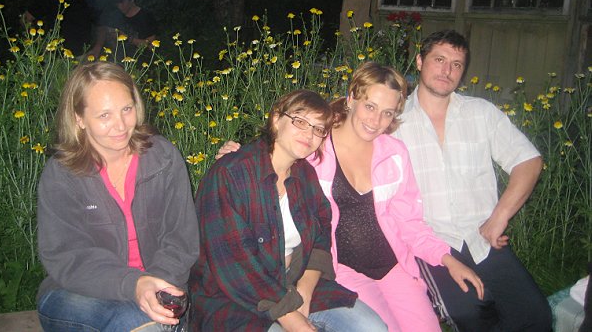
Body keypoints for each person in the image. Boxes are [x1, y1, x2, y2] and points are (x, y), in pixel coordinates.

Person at [216, 65, 484, 331]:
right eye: (370, 106)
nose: (376, 120)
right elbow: (279, 149)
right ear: (351, 98)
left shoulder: (394, 153)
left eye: (387, 113)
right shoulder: (316, 145)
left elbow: (410, 223)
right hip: (342, 269)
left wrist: (448, 259)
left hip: (394, 267)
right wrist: (238, 155)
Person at [191, 89, 389, 332]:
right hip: (235, 297)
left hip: (292, 281)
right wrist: (292, 318)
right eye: (300, 121)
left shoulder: (305, 175)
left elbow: (320, 235)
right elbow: (235, 266)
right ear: (276, 119)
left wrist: (305, 290)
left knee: (372, 327)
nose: (309, 134)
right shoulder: (230, 174)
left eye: (318, 129)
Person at [394, 29, 552, 331]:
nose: (447, 70)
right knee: (471, 314)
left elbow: (529, 161)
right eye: (439, 59)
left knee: (536, 316)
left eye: (456, 64)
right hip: (431, 244)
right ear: (419, 61)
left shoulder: (481, 114)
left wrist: (499, 217)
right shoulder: (395, 120)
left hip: (483, 239)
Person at [37, 62, 199, 332]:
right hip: (78, 292)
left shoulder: (163, 158)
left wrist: (153, 287)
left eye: (127, 109)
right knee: (134, 321)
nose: (121, 125)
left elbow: (181, 239)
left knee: (149, 320)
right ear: (79, 118)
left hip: (159, 284)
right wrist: (133, 285)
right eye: (104, 115)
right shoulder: (62, 175)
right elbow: (67, 257)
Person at [23, 0, 95, 57]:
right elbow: (26, 18)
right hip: (57, 58)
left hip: (83, 57)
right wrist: (39, 43)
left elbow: (101, 25)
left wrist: (96, 49)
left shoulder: (89, 1)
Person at [91, 0, 157, 60]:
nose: (119, 6)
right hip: (115, 60)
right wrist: (98, 46)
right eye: (117, 3)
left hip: (138, 62)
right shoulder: (114, 14)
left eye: (122, 2)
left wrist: (128, 39)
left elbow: (150, 45)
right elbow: (102, 28)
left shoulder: (146, 17)